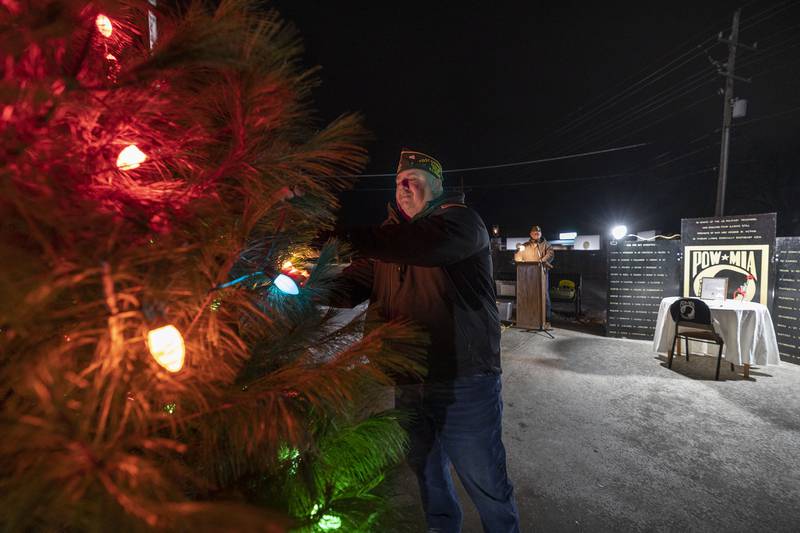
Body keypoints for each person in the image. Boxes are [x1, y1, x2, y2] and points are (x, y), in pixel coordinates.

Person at [333, 149, 520, 533]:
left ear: (436, 188)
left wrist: (341, 237)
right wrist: (300, 287)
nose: (404, 187)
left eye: (414, 180)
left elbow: (426, 246)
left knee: (486, 482)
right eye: (399, 181)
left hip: (464, 380)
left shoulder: (461, 224)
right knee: (428, 475)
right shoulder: (390, 241)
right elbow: (349, 287)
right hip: (408, 380)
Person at [514, 225, 555, 322]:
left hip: (542, 273)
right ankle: (529, 316)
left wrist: (541, 261)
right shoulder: (524, 245)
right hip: (527, 275)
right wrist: (518, 258)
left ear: (541, 234)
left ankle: (546, 317)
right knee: (528, 294)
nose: (536, 234)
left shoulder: (546, 244)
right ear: (530, 234)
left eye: (538, 232)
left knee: (544, 294)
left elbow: (550, 254)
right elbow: (518, 256)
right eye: (534, 232)